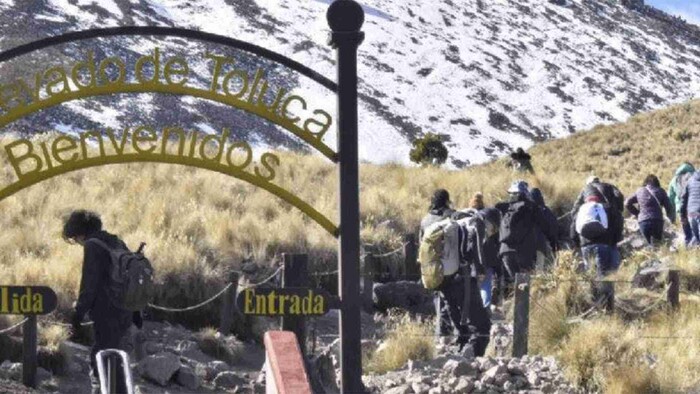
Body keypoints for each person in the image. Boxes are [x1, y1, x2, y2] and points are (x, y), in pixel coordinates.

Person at [63, 210, 142, 393]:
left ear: (80, 233)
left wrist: (77, 314)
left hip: (106, 311)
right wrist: (136, 312)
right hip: (126, 310)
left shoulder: (93, 245)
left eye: (75, 238)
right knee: (118, 360)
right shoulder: (117, 241)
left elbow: (89, 284)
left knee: (100, 358)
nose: (77, 242)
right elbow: (131, 277)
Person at [435, 208, 495, 357]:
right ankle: (473, 362)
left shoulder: (453, 224)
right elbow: (474, 250)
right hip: (463, 278)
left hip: (444, 277)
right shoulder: (477, 223)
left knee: (461, 326)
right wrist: (480, 270)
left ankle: (460, 356)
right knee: (482, 327)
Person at [496, 181, 549, 283]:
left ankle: (512, 297)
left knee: (517, 283)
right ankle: (529, 298)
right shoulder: (531, 207)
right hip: (523, 252)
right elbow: (545, 226)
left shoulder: (503, 208)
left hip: (505, 252)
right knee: (524, 285)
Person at [419, 189, 455, 337]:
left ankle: (441, 332)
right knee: (449, 296)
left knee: (438, 295)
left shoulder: (425, 219)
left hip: (429, 262)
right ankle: (445, 332)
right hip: (447, 262)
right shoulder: (450, 216)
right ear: (446, 200)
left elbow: (420, 243)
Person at [571, 176, 625, 266]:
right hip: (607, 234)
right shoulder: (609, 186)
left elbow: (574, 212)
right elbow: (619, 196)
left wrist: (577, 241)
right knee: (609, 268)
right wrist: (617, 209)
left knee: (591, 270)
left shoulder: (585, 189)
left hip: (586, 238)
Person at [625, 175, 675, 246]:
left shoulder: (639, 191)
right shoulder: (661, 191)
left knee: (648, 244)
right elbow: (669, 207)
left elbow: (627, 203)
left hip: (643, 221)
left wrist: (637, 214)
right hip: (657, 220)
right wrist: (671, 219)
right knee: (658, 245)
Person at [477, 207, 501, 311]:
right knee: (486, 285)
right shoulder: (494, 223)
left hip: (474, 261)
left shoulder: (475, 222)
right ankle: (486, 308)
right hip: (489, 260)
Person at [529, 188, 559, 271]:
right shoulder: (546, 211)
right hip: (541, 244)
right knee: (540, 270)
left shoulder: (527, 210)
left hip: (526, 246)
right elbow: (552, 229)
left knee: (527, 270)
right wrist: (555, 246)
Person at [668, 162, 695, 245]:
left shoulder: (674, 180)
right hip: (694, 208)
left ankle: (688, 248)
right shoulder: (695, 176)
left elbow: (670, 198)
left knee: (687, 232)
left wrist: (672, 217)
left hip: (681, 209)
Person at [681, 170, 700, 246]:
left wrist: (682, 215)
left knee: (696, 238)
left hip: (691, 213)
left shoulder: (690, 181)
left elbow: (683, 199)